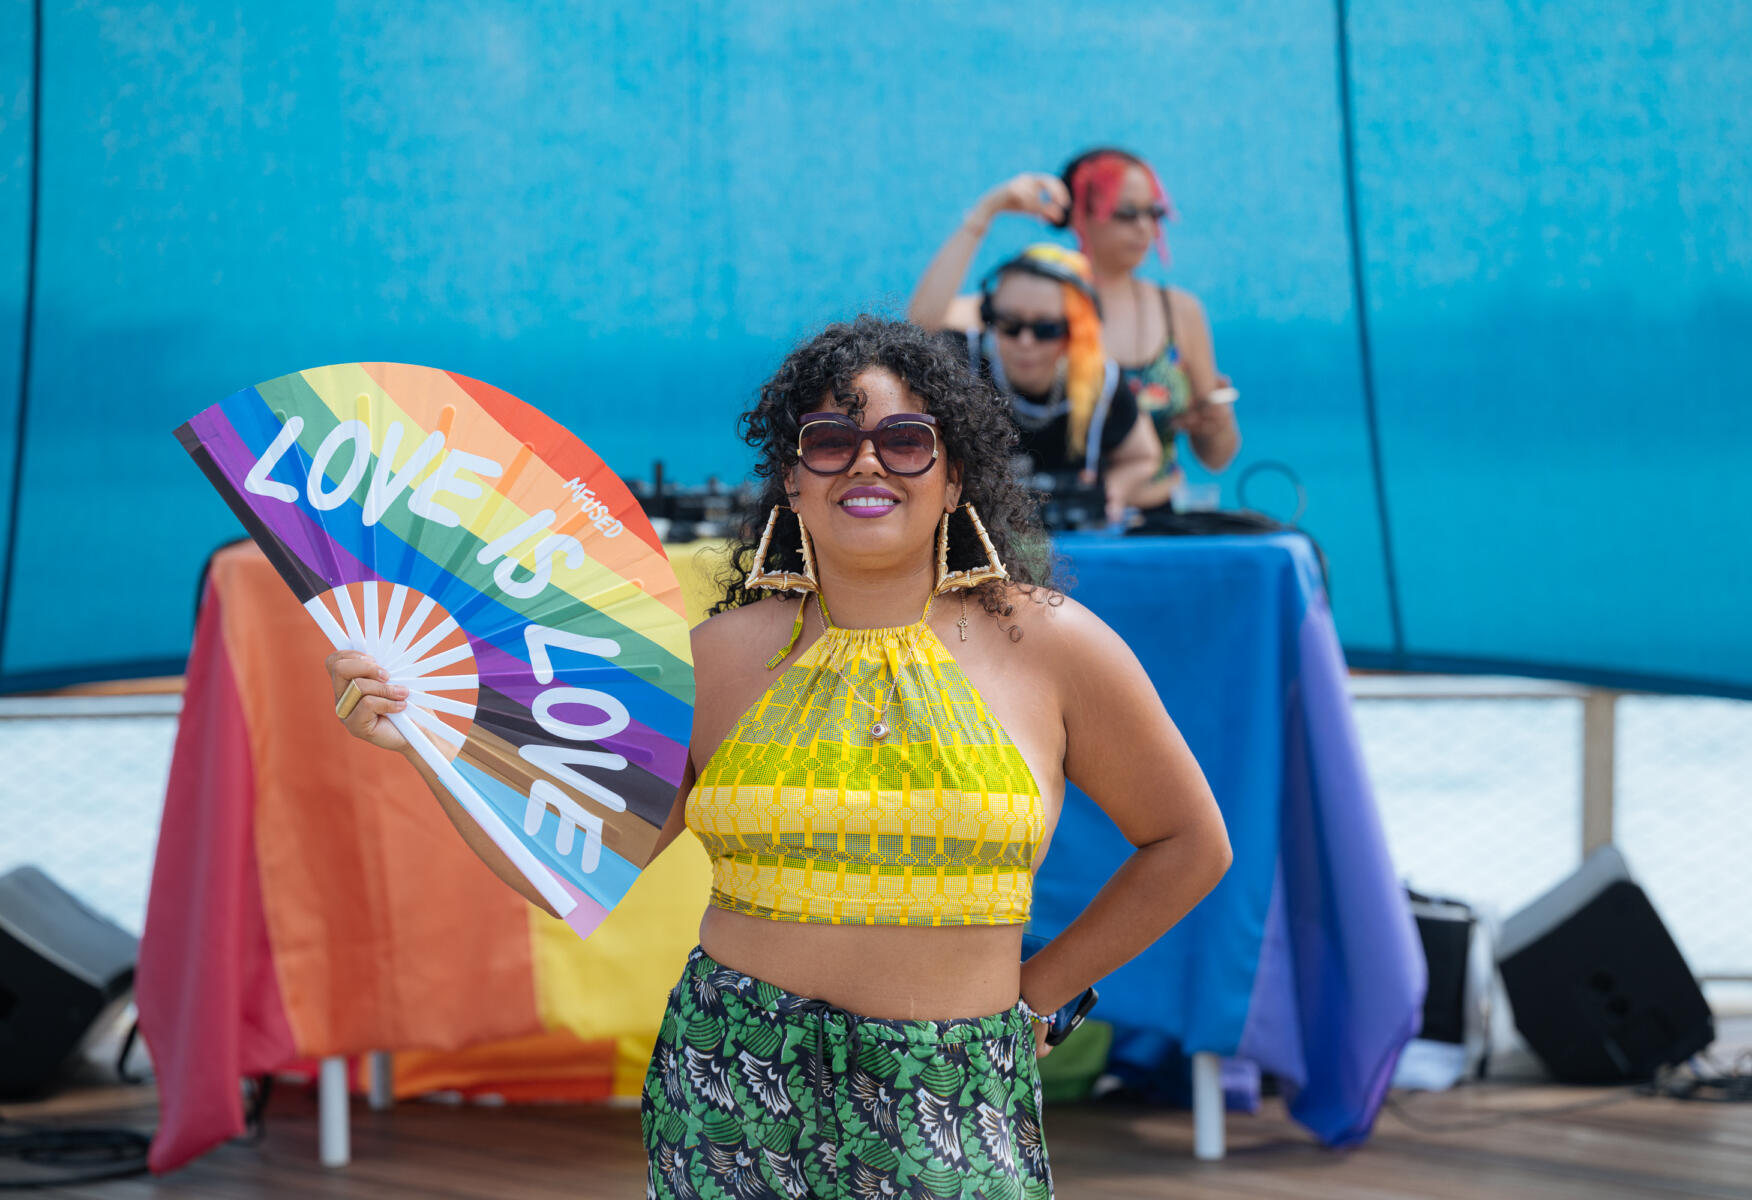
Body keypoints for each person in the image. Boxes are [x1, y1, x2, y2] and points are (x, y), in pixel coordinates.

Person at [325, 317, 1230, 1198]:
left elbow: (1189, 842)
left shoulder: (1057, 646)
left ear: (955, 478)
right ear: (792, 483)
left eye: (907, 439)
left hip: (954, 1084)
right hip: (727, 1079)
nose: (868, 460)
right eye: (830, 440)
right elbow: (580, 862)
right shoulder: (710, 659)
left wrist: (1041, 993)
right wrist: (433, 745)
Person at [915, 158, 1240, 510]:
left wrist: (1214, 425)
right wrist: (984, 214)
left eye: (1155, 213)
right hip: (1054, 520)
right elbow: (922, 327)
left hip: (1150, 519)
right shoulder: (1033, 297)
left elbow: (1217, 458)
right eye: (1126, 213)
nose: (1145, 227)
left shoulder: (1177, 312)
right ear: (1080, 214)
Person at [907, 235, 1161, 522]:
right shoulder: (961, 364)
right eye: (1010, 325)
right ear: (988, 315)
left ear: (1074, 332)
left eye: (1046, 329)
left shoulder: (1100, 384)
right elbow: (917, 331)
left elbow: (1143, 455)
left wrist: (1115, 491)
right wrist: (980, 219)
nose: (1026, 342)